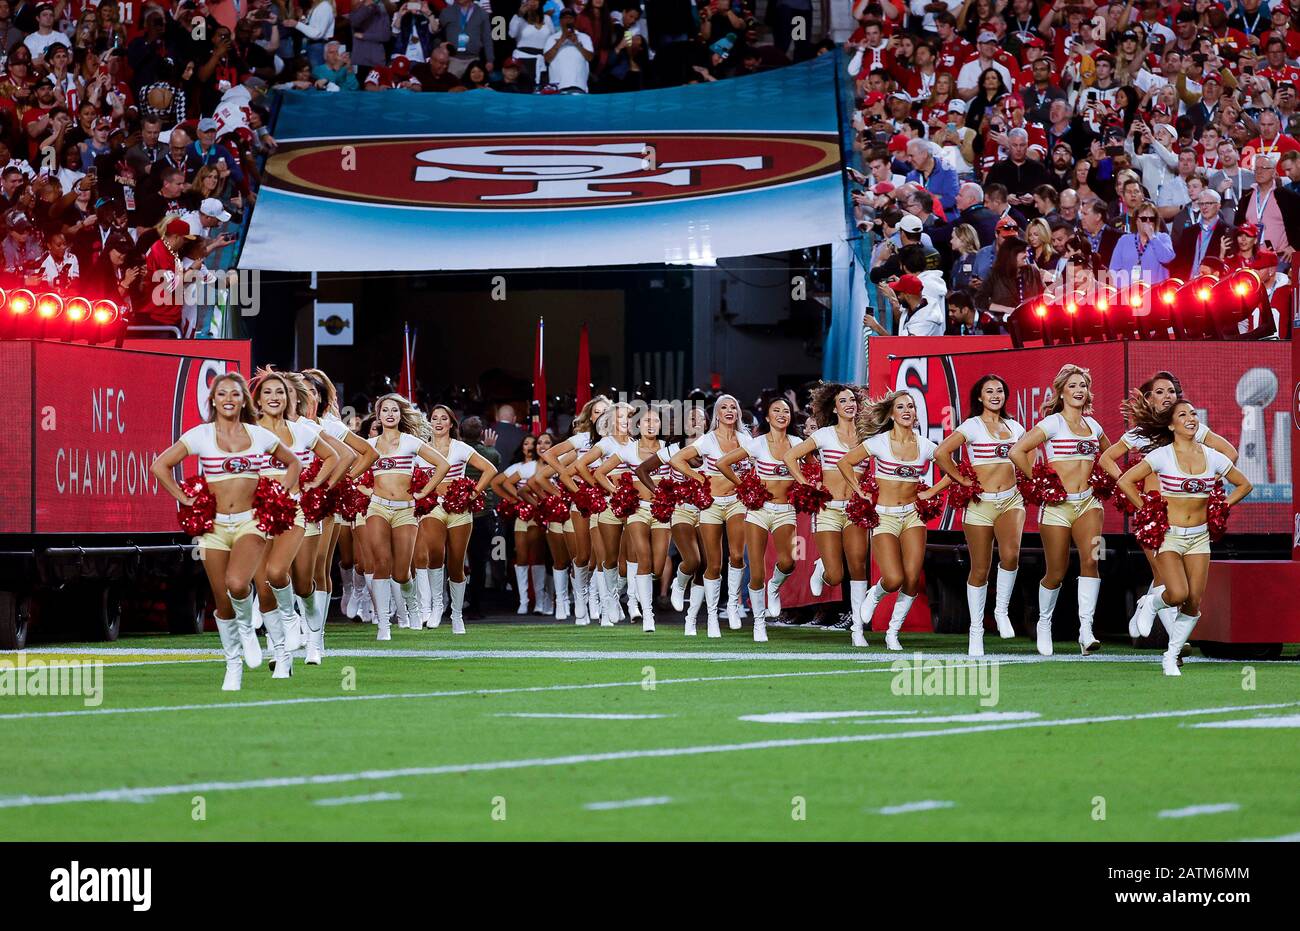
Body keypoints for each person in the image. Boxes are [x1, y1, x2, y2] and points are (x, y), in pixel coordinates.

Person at [149, 373, 301, 691]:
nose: (229, 398)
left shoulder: (259, 435)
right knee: (222, 600)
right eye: (222, 394)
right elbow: (160, 465)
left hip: (250, 522)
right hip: (214, 526)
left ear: (244, 399)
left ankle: (250, 633)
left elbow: (293, 464)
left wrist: (280, 494)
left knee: (237, 582)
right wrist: (184, 498)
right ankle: (233, 664)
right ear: (213, 400)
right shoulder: (201, 435)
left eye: (235, 393)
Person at [1099, 372, 1237, 649]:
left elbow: (1229, 453)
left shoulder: (1191, 426)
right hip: (1154, 515)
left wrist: (1204, 483)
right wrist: (1139, 498)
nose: (1167, 397)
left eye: (1171, 391)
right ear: (1149, 399)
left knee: (1181, 581)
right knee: (1163, 575)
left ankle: (1145, 608)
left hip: (1186, 516)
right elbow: (1106, 459)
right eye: (1160, 392)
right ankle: (1177, 639)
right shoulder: (1139, 433)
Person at [1117, 395, 1253, 677]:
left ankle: (1171, 655)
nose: (1191, 418)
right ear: (1170, 426)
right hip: (1169, 535)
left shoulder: (1212, 456)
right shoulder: (1161, 456)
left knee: (1193, 601)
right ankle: (1151, 602)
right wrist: (1148, 510)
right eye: (1182, 415)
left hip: (1199, 537)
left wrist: (1221, 506)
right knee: (1177, 593)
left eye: (1193, 414)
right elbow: (1125, 480)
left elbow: (1244, 484)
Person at [1009, 365, 1111, 657]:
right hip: (1056, 508)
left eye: (1083, 386)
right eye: (1073, 386)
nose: (1079, 390)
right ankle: (1044, 623)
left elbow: (1110, 456)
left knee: (1092, 561)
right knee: (1056, 571)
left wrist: (1113, 479)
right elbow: (1017, 451)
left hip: (1089, 504)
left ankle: (1086, 630)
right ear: (1062, 392)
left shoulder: (1095, 427)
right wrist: (1041, 482)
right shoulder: (1053, 423)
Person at [836, 390, 948, 650]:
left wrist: (931, 491)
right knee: (894, 578)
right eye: (901, 407)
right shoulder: (879, 442)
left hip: (912, 516)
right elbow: (845, 463)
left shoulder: (927, 446)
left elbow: (952, 470)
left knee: (911, 578)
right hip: (884, 516)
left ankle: (892, 632)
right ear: (892, 414)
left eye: (911, 406)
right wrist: (860, 489)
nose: (907, 410)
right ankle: (874, 594)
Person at [249, 370, 342, 678]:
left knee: (301, 582)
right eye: (267, 393)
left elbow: (335, 457)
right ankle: (281, 653)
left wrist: (315, 485)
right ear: (258, 400)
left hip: (295, 511)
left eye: (280, 392)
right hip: (258, 514)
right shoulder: (247, 431)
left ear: (290, 399)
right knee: (264, 587)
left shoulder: (302, 431)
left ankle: (313, 632)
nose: (274, 397)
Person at [934, 375, 1026, 656]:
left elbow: (1027, 457)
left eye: (1000, 390)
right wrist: (962, 481)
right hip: (980, 503)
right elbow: (941, 453)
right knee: (980, 567)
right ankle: (976, 630)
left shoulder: (1016, 427)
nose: (995, 395)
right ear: (979, 397)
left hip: (1011, 499)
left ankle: (1001, 611)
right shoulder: (971, 426)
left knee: (1011, 556)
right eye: (989, 391)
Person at [782, 384, 870, 630]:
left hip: (855, 509)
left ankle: (858, 627)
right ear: (834, 407)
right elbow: (789, 457)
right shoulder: (824, 435)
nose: (850, 404)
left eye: (852, 400)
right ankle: (820, 569)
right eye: (843, 401)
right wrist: (808, 485)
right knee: (835, 575)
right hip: (829, 510)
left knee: (858, 565)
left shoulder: (867, 435)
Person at [716, 397, 796, 643]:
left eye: (786, 411)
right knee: (757, 571)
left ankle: (775, 586)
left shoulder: (798, 443)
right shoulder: (758, 443)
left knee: (788, 561)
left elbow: (815, 468)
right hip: (758, 511)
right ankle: (759, 622)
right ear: (768, 417)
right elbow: (723, 463)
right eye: (776, 411)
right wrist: (745, 487)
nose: (782, 414)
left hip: (785, 509)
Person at [670, 395, 749, 638]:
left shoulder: (746, 441)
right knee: (712, 563)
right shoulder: (707, 440)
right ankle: (708, 616)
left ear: (737, 412)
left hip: (736, 502)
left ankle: (733, 605)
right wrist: (700, 478)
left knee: (736, 555)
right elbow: (676, 459)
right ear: (716, 414)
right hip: (712, 505)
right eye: (724, 407)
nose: (729, 410)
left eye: (733, 406)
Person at [416, 405, 497, 632]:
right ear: (429, 422)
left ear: (451, 424)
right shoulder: (421, 448)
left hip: (459, 509)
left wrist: (473, 492)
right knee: (434, 555)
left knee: (456, 564)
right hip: (433, 507)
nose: (439, 422)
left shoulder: (459, 447)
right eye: (434, 418)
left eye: (444, 418)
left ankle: (457, 615)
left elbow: (489, 469)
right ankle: (436, 607)